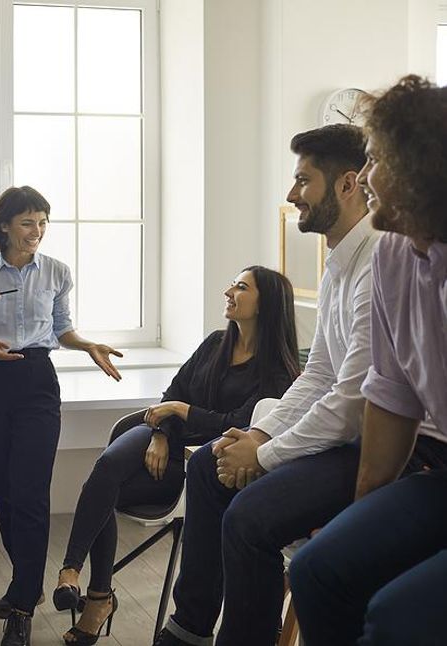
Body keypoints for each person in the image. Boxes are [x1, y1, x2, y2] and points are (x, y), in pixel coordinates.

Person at [152, 123, 434, 646]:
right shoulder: (337, 268)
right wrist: (260, 438)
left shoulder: (380, 261)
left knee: (249, 520)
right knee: (206, 465)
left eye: (302, 181)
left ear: (348, 185)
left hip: (391, 441)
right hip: (357, 430)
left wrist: (264, 455)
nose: (290, 195)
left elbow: (354, 400)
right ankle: (190, 628)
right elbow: (320, 376)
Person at [56, 266, 299, 645]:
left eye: (240, 286)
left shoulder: (279, 371)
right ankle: (72, 574)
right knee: (105, 471)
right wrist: (160, 433)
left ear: (266, 303)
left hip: (205, 468)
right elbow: (174, 390)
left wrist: (181, 412)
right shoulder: (215, 343)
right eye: (232, 282)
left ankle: (98, 601)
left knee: (104, 493)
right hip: (164, 443)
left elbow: (237, 422)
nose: (228, 291)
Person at [289, 75, 447, 646]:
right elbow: (391, 394)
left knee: (397, 617)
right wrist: (359, 523)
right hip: (440, 473)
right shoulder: (395, 261)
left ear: (428, 170)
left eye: (381, 159)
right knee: (318, 568)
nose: (369, 177)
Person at [0, 186, 123, 646]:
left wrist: (87, 344)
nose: (37, 231)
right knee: (2, 494)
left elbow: (62, 329)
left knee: (29, 493)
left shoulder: (57, 272)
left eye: (44, 221)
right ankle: (22, 581)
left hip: (37, 384)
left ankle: (23, 605)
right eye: (28, 222)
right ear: (5, 225)